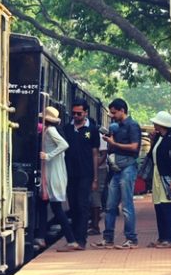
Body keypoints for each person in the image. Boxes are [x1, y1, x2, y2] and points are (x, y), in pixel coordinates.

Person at [93, 98, 142, 249]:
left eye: (114, 112)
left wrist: (114, 144)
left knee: (127, 205)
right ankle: (108, 238)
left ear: (122, 110)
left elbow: (134, 147)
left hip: (127, 168)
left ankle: (131, 239)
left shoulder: (132, 126)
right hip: (116, 169)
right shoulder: (116, 126)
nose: (112, 116)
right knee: (110, 205)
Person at [61, 99, 100, 251]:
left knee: (83, 205)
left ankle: (81, 240)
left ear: (86, 113)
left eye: (79, 113)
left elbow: (95, 154)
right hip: (70, 173)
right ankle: (74, 239)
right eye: (74, 113)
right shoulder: (67, 129)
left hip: (86, 173)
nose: (76, 116)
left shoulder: (93, 130)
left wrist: (95, 178)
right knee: (73, 206)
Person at [38, 106, 78, 251]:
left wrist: (48, 155)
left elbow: (64, 145)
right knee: (43, 205)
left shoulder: (50, 131)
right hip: (50, 172)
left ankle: (71, 240)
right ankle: (41, 237)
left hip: (52, 173)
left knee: (56, 208)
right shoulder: (49, 130)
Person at [146, 111, 171, 248]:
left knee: (168, 207)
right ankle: (162, 237)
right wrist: (152, 141)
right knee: (159, 206)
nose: (154, 124)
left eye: (156, 122)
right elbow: (152, 155)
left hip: (168, 175)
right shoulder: (159, 138)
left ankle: (170, 239)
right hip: (158, 174)